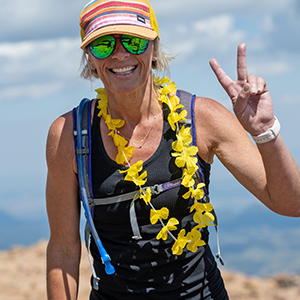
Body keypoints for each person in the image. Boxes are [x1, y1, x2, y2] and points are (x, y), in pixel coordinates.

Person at [45, 0, 300, 299]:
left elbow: (290, 204)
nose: (120, 53)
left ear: (154, 49)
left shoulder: (203, 119)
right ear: (90, 58)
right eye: (102, 45)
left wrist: (265, 132)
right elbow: (63, 249)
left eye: (133, 41)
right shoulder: (69, 135)